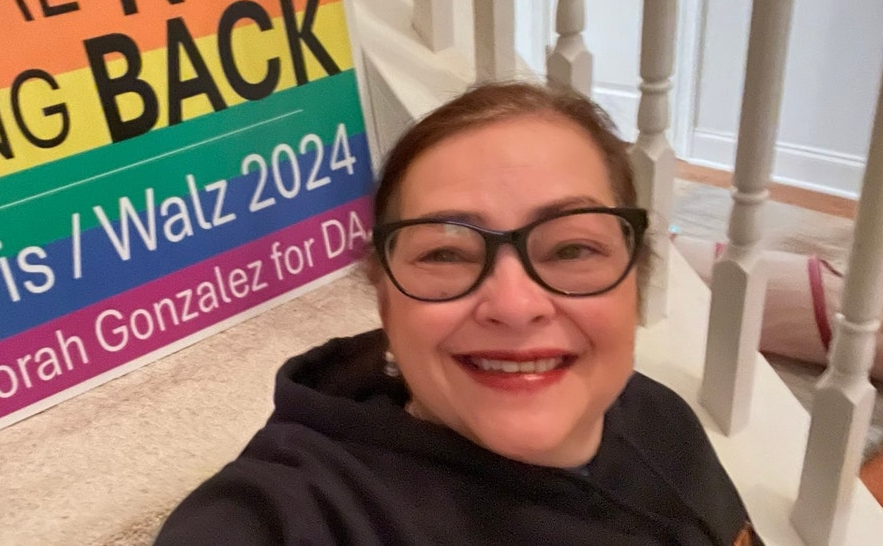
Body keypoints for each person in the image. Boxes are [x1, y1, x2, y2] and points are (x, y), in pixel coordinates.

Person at [155, 82, 762, 545]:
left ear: (635, 277)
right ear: (385, 300)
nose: (515, 305)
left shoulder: (659, 414)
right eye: (445, 253)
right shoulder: (288, 515)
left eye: (573, 248)